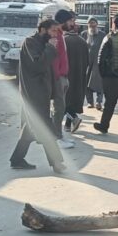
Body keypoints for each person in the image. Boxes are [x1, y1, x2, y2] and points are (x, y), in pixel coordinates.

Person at [10, 19, 66, 174]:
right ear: (42, 29)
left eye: (57, 31)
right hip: (33, 93)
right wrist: (50, 48)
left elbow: (49, 70)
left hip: (42, 92)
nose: (56, 34)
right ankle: (56, 162)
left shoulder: (43, 44)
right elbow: (37, 65)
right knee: (45, 127)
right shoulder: (30, 43)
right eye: (53, 31)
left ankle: (17, 159)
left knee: (30, 127)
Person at [52, 9, 74, 149]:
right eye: (70, 21)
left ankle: (59, 135)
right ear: (63, 21)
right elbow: (54, 60)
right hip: (58, 78)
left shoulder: (61, 35)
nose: (72, 23)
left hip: (63, 76)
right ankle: (56, 138)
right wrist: (57, 77)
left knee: (61, 108)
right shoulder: (56, 36)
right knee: (58, 109)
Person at [64, 22, 89, 133]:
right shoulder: (83, 42)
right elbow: (87, 61)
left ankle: (73, 118)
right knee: (73, 99)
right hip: (79, 75)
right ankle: (68, 125)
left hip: (66, 74)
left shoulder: (64, 40)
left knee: (63, 100)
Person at [82, 16, 106, 110]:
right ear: (88, 25)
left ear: (97, 24)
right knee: (86, 82)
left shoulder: (102, 35)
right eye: (90, 23)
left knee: (99, 83)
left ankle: (99, 102)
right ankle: (90, 102)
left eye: (93, 23)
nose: (92, 25)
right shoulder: (84, 34)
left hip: (98, 63)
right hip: (87, 63)